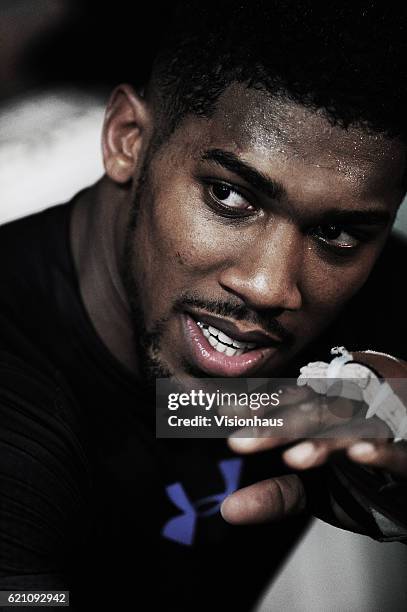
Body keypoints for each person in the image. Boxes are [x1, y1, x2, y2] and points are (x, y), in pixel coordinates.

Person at [0, 1, 406, 610]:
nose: (271, 286)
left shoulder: (376, 343)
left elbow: (184, 409)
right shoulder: (18, 413)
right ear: (127, 141)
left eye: (338, 234)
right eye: (229, 195)